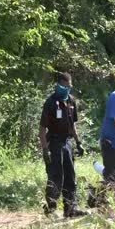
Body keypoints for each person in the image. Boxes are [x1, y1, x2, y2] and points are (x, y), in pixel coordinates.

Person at [39, 72, 87, 218]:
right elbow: (42, 128)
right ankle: (51, 209)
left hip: (67, 142)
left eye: (68, 86)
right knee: (55, 175)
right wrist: (45, 150)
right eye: (62, 86)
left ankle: (70, 209)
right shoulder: (50, 103)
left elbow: (72, 125)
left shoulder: (71, 101)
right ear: (57, 85)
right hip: (53, 142)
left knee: (70, 175)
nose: (65, 89)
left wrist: (78, 143)